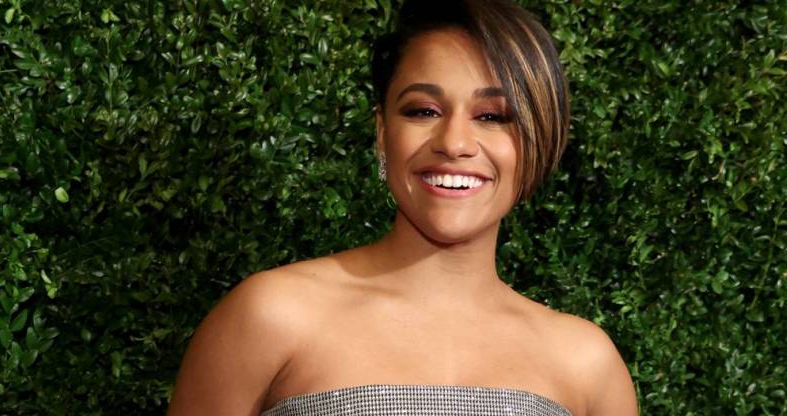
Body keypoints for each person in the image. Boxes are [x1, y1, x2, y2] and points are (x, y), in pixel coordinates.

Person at [168, 0, 638, 415]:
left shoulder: (585, 363)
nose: (454, 142)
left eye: (492, 117)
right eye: (423, 111)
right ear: (381, 133)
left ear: (540, 141)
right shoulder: (270, 316)